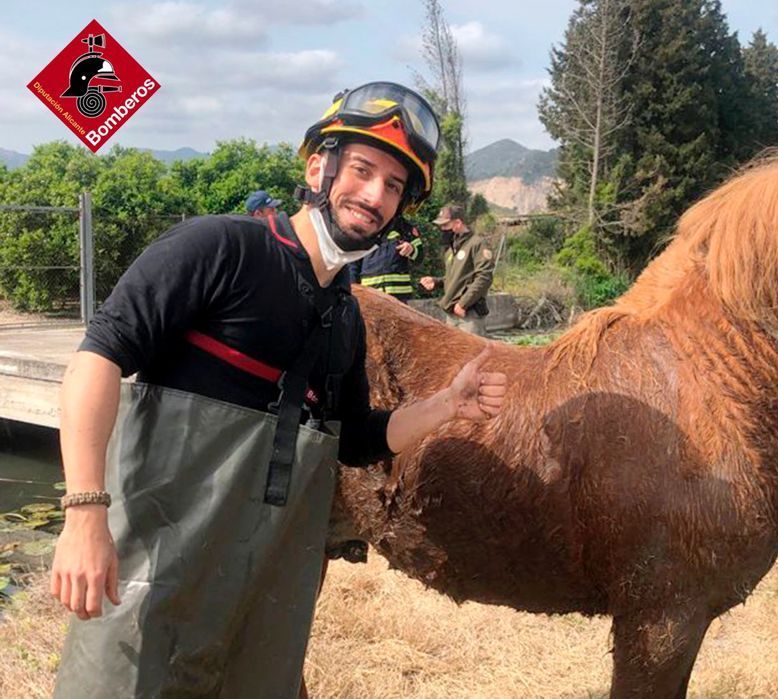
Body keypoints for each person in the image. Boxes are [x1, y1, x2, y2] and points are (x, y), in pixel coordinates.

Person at [49, 81, 507, 699]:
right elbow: (97, 360)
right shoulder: (218, 248)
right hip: (152, 581)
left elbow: (354, 440)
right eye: (364, 170)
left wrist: (448, 405)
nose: (375, 196)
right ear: (319, 166)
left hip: (257, 601)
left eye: (394, 186)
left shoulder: (343, 316)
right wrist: (84, 515)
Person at [419, 203, 494, 335]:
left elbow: (484, 277)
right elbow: (457, 278)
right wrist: (436, 282)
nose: (442, 229)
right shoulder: (451, 248)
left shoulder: (477, 244)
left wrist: (463, 303)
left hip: (469, 315)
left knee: (472, 354)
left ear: (458, 223)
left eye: (445, 225)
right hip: (451, 314)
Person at [350, 215, 423, 302]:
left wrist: (412, 249)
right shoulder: (363, 228)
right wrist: (353, 291)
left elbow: (420, 257)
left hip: (399, 296)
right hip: (370, 294)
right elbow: (353, 263)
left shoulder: (405, 228)